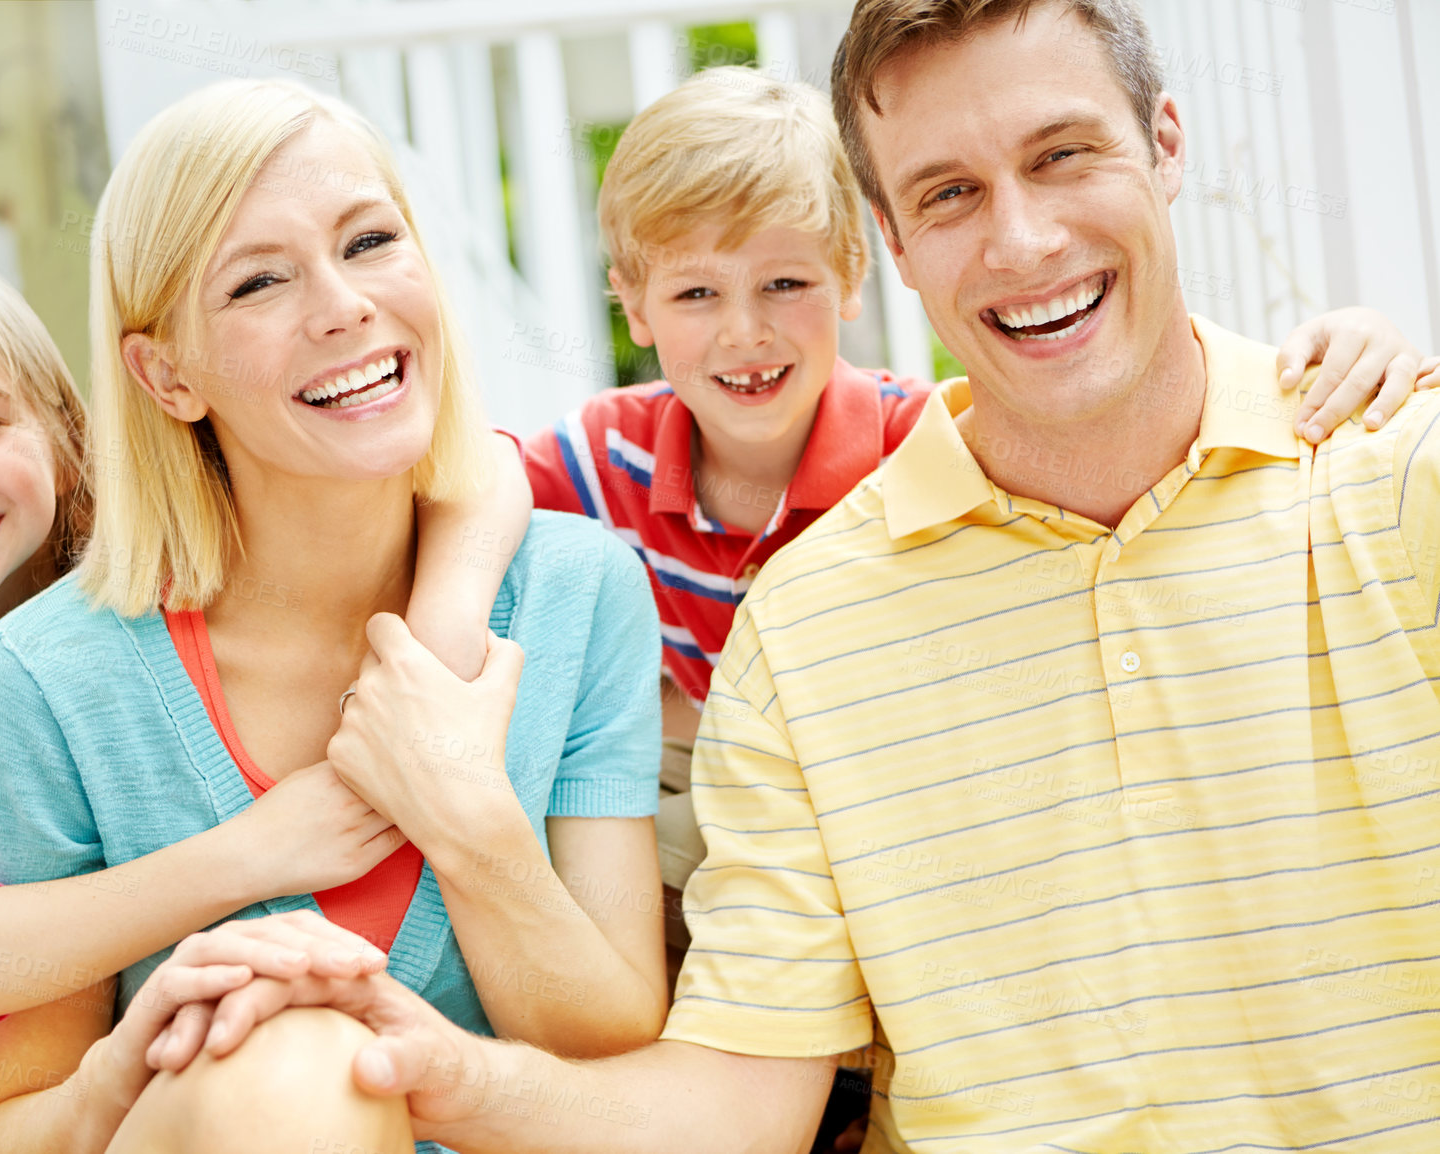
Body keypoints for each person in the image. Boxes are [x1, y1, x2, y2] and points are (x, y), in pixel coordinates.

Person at [148, 3, 1440, 1153]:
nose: (1025, 236)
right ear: (897, 232)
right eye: (948, 193)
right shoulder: (799, 614)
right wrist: (454, 1074)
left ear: (1166, 144)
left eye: (1063, 154)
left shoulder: (1388, 470)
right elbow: (735, 1098)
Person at [520, 65, 1432, 954]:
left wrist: (1361, 338)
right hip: (727, 777)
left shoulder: (922, 443)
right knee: (621, 835)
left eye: (784, 285)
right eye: (695, 294)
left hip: (893, 772)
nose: (744, 330)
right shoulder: (603, 454)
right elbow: (459, 487)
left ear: (851, 276)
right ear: (633, 304)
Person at [0, 78, 667, 1153]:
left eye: (370, 240)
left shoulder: (575, 592)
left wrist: (463, 808)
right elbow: (4, 1130)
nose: (342, 304)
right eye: (259, 282)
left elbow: (612, 1057)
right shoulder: (49, 680)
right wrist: (126, 1064)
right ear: (166, 373)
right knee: (284, 1066)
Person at [0, 262, 526, 1154]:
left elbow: (489, 460)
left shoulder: (144, 596)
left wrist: (445, 618)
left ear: (70, 437)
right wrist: (248, 855)